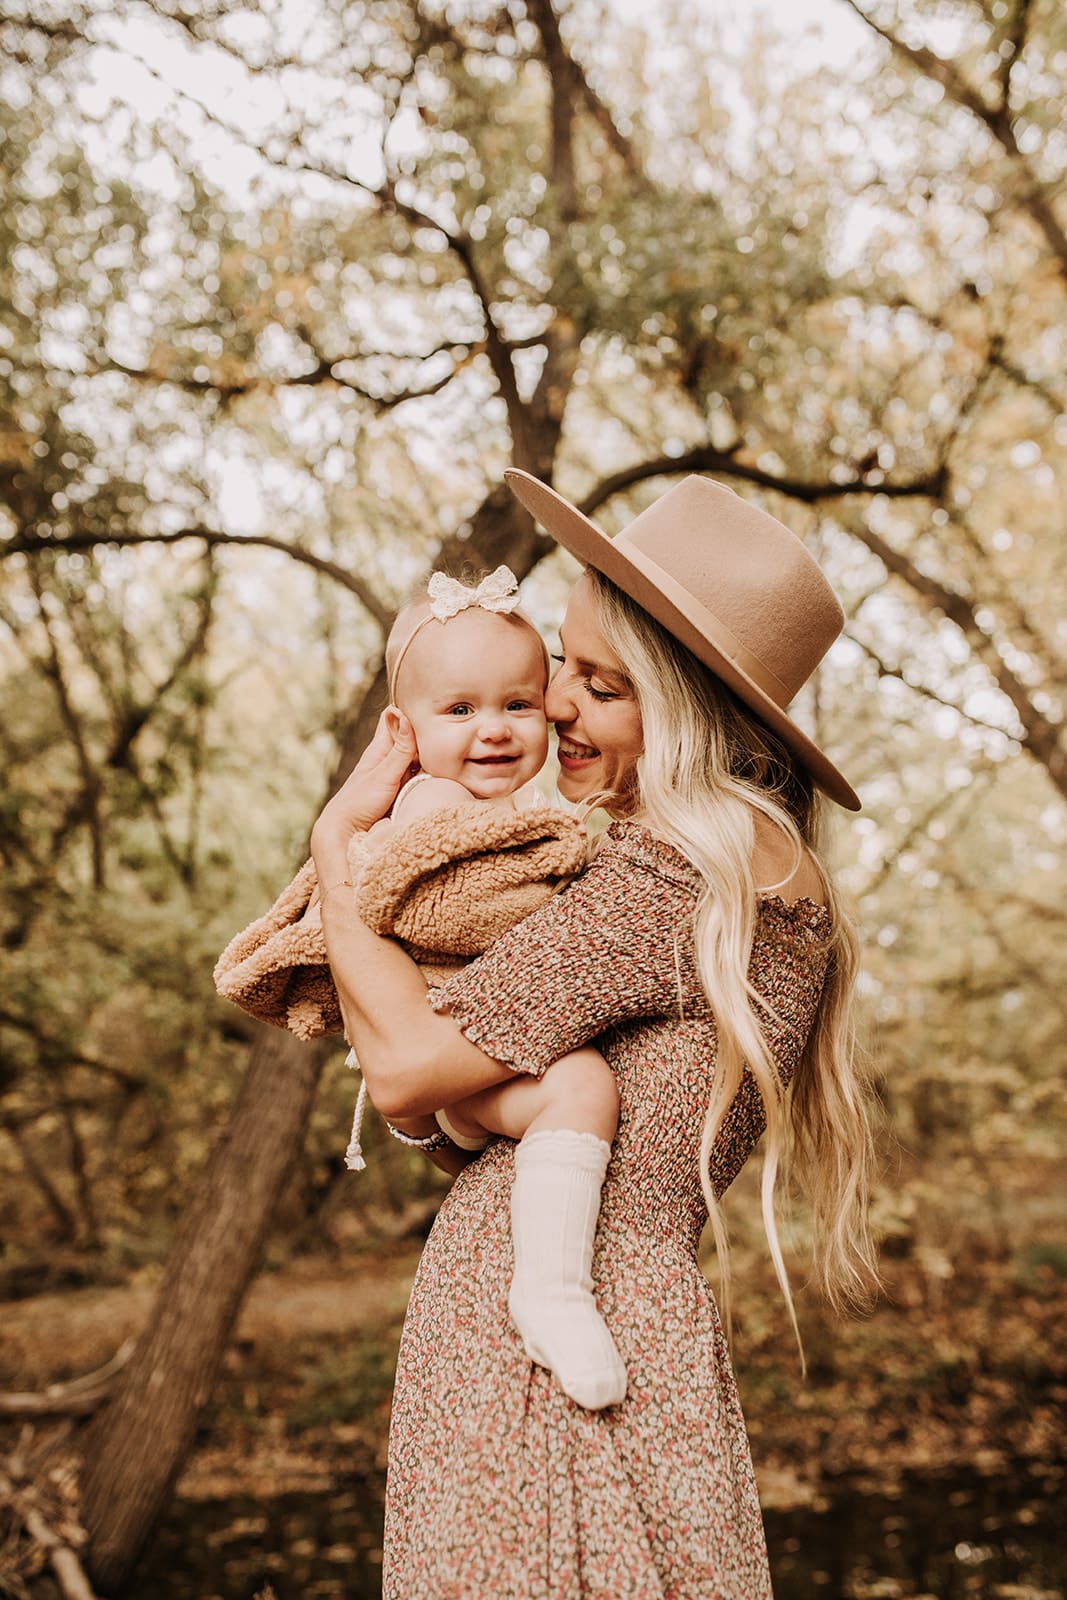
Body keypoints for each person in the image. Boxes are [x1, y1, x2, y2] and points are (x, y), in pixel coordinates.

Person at [311, 469, 878, 1599]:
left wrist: (338, 850)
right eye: (563, 663)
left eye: (601, 686)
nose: (556, 702)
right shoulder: (736, 871)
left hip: (546, 1347)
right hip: (607, 1323)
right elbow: (449, 1113)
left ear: (686, 709)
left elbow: (406, 1066)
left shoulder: (667, 877)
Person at [360, 564, 627, 1409]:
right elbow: (451, 914)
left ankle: (549, 1284)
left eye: (518, 703)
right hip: (451, 1040)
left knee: (576, 1084)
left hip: (471, 1063)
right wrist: (572, 884)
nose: (497, 731)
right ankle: (548, 1289)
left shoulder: (504, 811)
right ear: (403, 731)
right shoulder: (430, 806)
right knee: (581, 1083)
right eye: (461, 709)